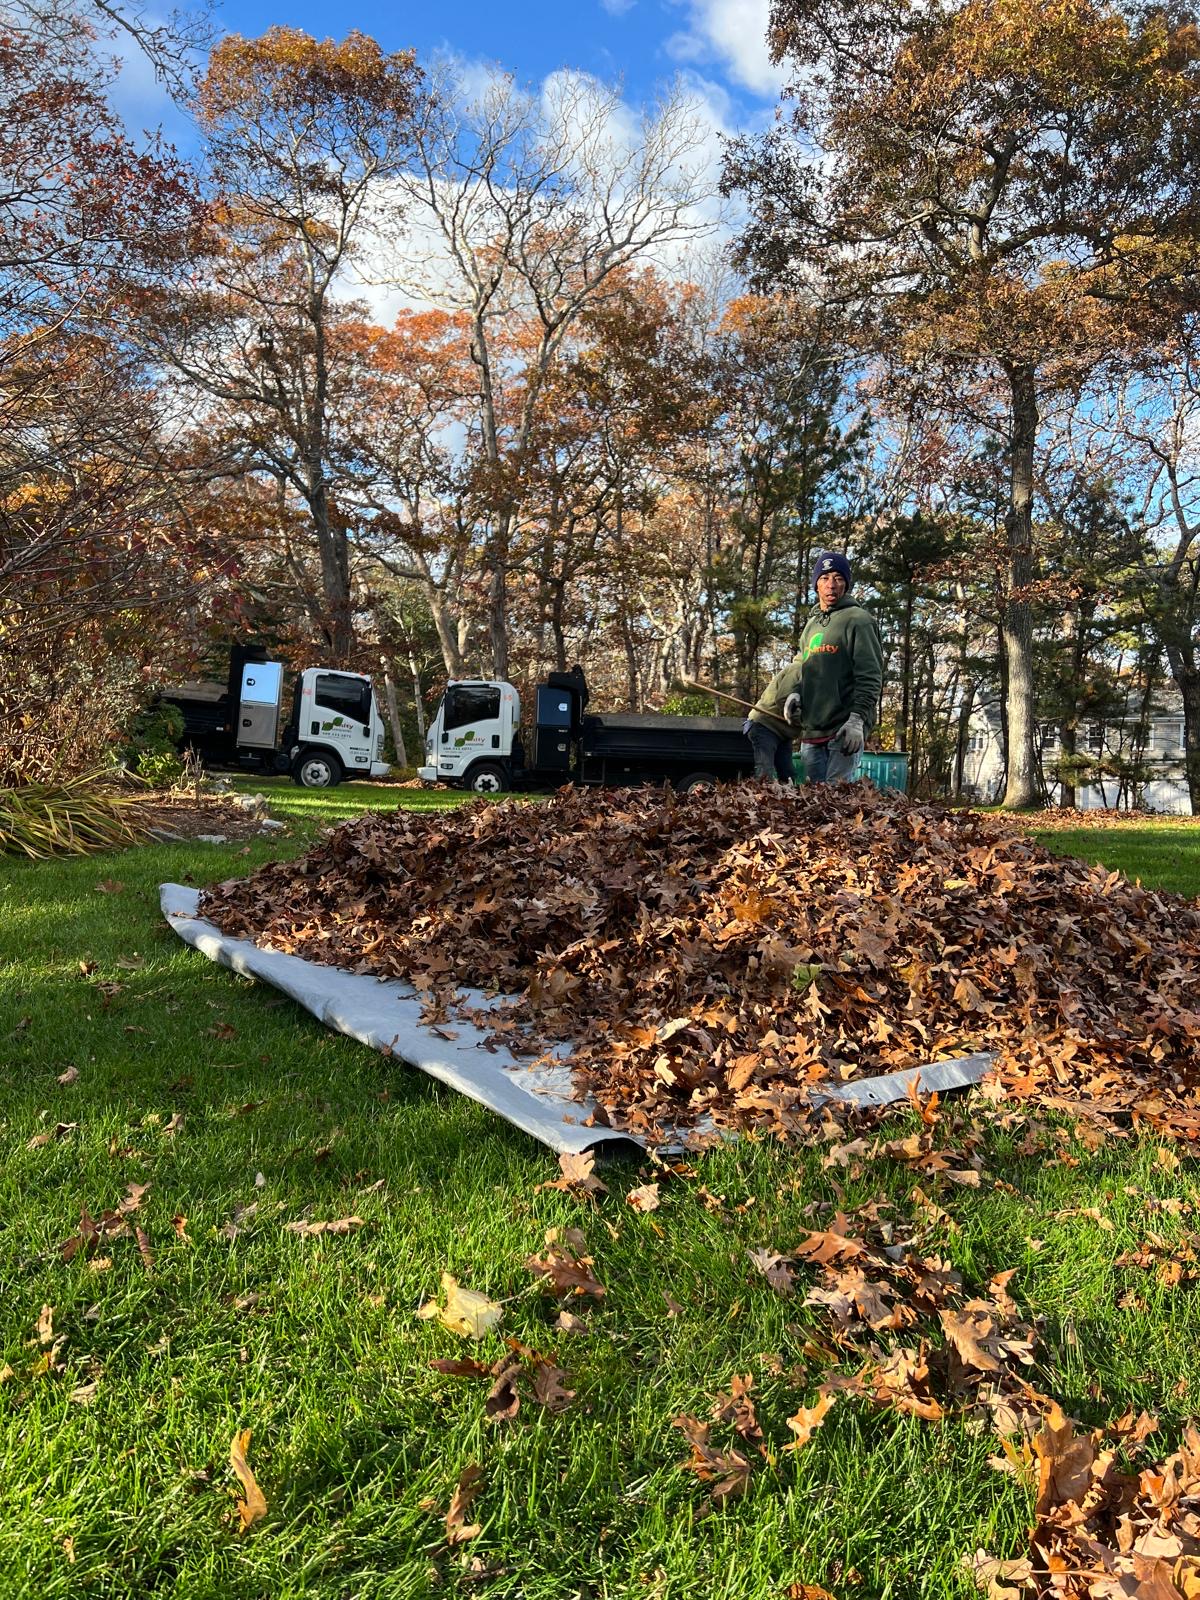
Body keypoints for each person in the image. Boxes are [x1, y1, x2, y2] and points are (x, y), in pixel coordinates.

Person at [794, 551, 882, 784]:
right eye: (824, 578)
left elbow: (870, 675)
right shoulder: (811, 625)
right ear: (816, 584)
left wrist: (857, 719)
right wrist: (794, 691)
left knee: (837, 796)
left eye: (838, 578)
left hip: (844, 726)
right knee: (812, 797)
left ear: (846, 584)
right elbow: (802, 666)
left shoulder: (859, 620)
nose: (831, 585)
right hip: (813, 728)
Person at [745, 654, 804, 783]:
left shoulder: (813, 677)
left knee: (788, 775)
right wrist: (804, 721)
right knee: (765, 773)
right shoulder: (798, 668)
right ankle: (761, 795)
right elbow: (783, 699)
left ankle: (786, 795)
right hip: (766, 725)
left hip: (783, 731)